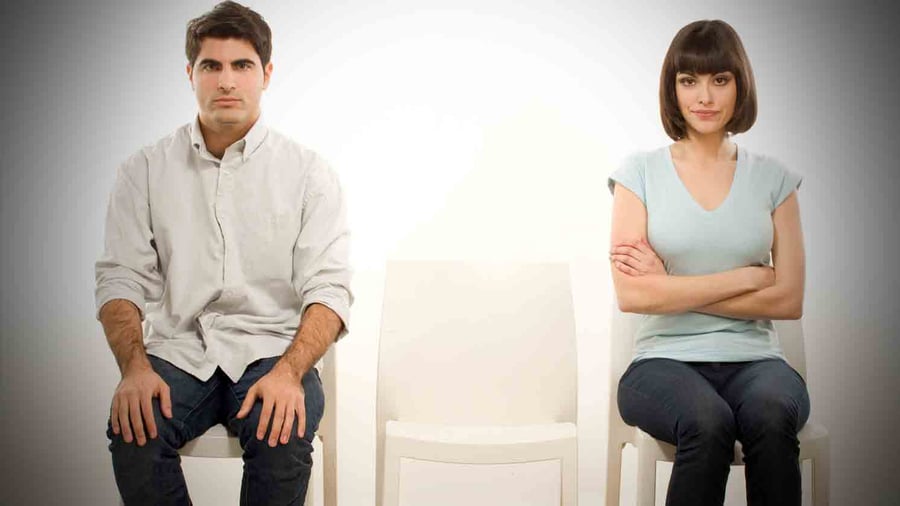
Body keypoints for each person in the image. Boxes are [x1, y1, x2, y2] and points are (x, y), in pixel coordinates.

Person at [94, 2, 352, 504]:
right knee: (134, 431)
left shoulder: (308, 174)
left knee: (281, 434)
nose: (227, 81)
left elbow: (329, 288)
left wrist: (290, 373)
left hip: (271, 351)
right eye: (211, 65)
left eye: (242, 65)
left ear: (266, 74)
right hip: (179, 351)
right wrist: (135, 369)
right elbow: (120, 278)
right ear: (190, 73)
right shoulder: (143, 170)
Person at [607, 20, 809, 506]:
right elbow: (633, 294)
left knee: (771, 417)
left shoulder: (775, 180)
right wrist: (746, 277)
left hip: (757, 362)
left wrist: (671, 288)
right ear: (672, 89)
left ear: (740, 86)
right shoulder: (639, 173)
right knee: (707, 422)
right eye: (688, 80)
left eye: (720, 79)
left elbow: (789, 300)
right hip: (661, 362)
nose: (704, 96)